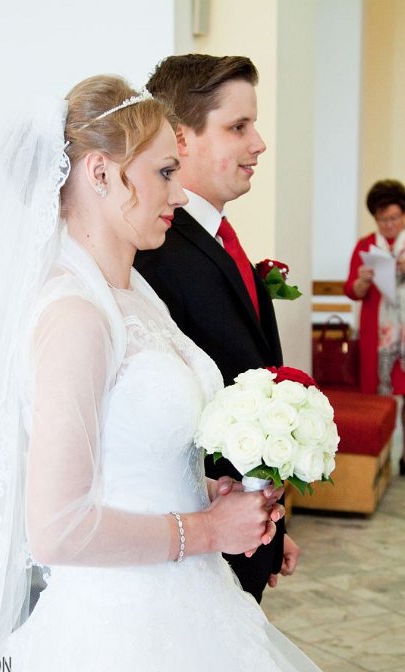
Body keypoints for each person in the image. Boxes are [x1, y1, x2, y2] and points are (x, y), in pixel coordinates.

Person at [0, 75, 364, 672]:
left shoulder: (135, 293)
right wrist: (208, 529)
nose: (179, 193)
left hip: (190, 603)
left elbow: (130, 460)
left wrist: (205, 492)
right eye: (163, 172)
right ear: (101, 174)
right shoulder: (73, 314)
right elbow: (56, 530)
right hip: (120, 635)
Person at [135, 53, 300, 602]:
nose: (259, 143)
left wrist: (271, 521)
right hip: (201, 549)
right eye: (238, 127)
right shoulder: (155, 252)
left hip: (244, 534)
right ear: (181, 139)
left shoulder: (217, 239)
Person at [344, 179, 405, 473]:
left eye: (394, 218)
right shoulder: (365, 245)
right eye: (383, 220)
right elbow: (351, 291)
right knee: (378, 398)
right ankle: (381, 462)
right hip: (377, 335)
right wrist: (363, 280)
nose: (389, 225)